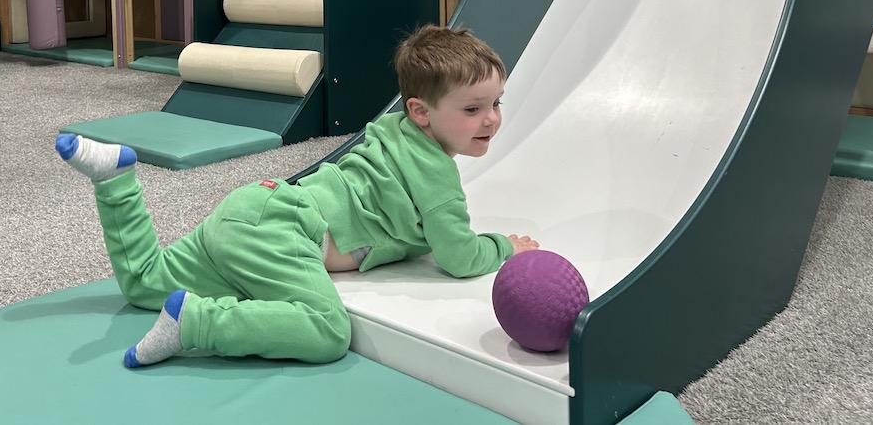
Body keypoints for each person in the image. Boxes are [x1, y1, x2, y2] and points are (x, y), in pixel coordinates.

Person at [55, 24, 539, 368]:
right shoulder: (436, 176)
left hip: (252, 204)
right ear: (420, 112)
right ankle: (199, 323)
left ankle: (116, 182)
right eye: (473, 109)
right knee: (327, 331)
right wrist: (504, 248)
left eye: (496, 103)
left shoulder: (394, 131)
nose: (492, 119)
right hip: (286, 230)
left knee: (144, 283)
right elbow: (457, 255)